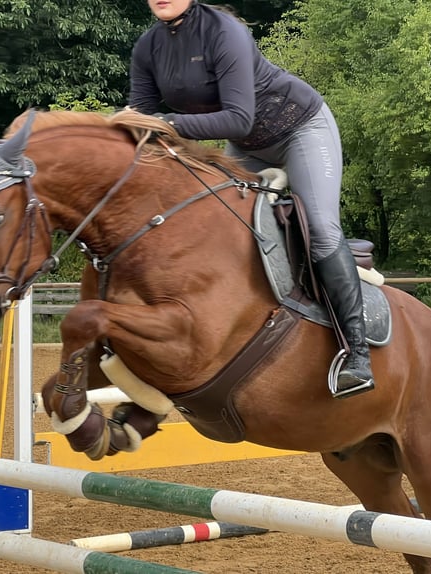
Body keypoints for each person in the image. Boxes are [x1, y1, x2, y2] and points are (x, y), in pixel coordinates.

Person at [128, 0, 374, 398]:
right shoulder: (147, 46)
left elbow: (237, 117)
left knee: (323, 230)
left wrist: (166, 123)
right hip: (248, 148)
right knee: (216, 229)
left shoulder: (225, 31)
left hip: (300, 129)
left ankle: (356, 355)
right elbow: (140, 117)